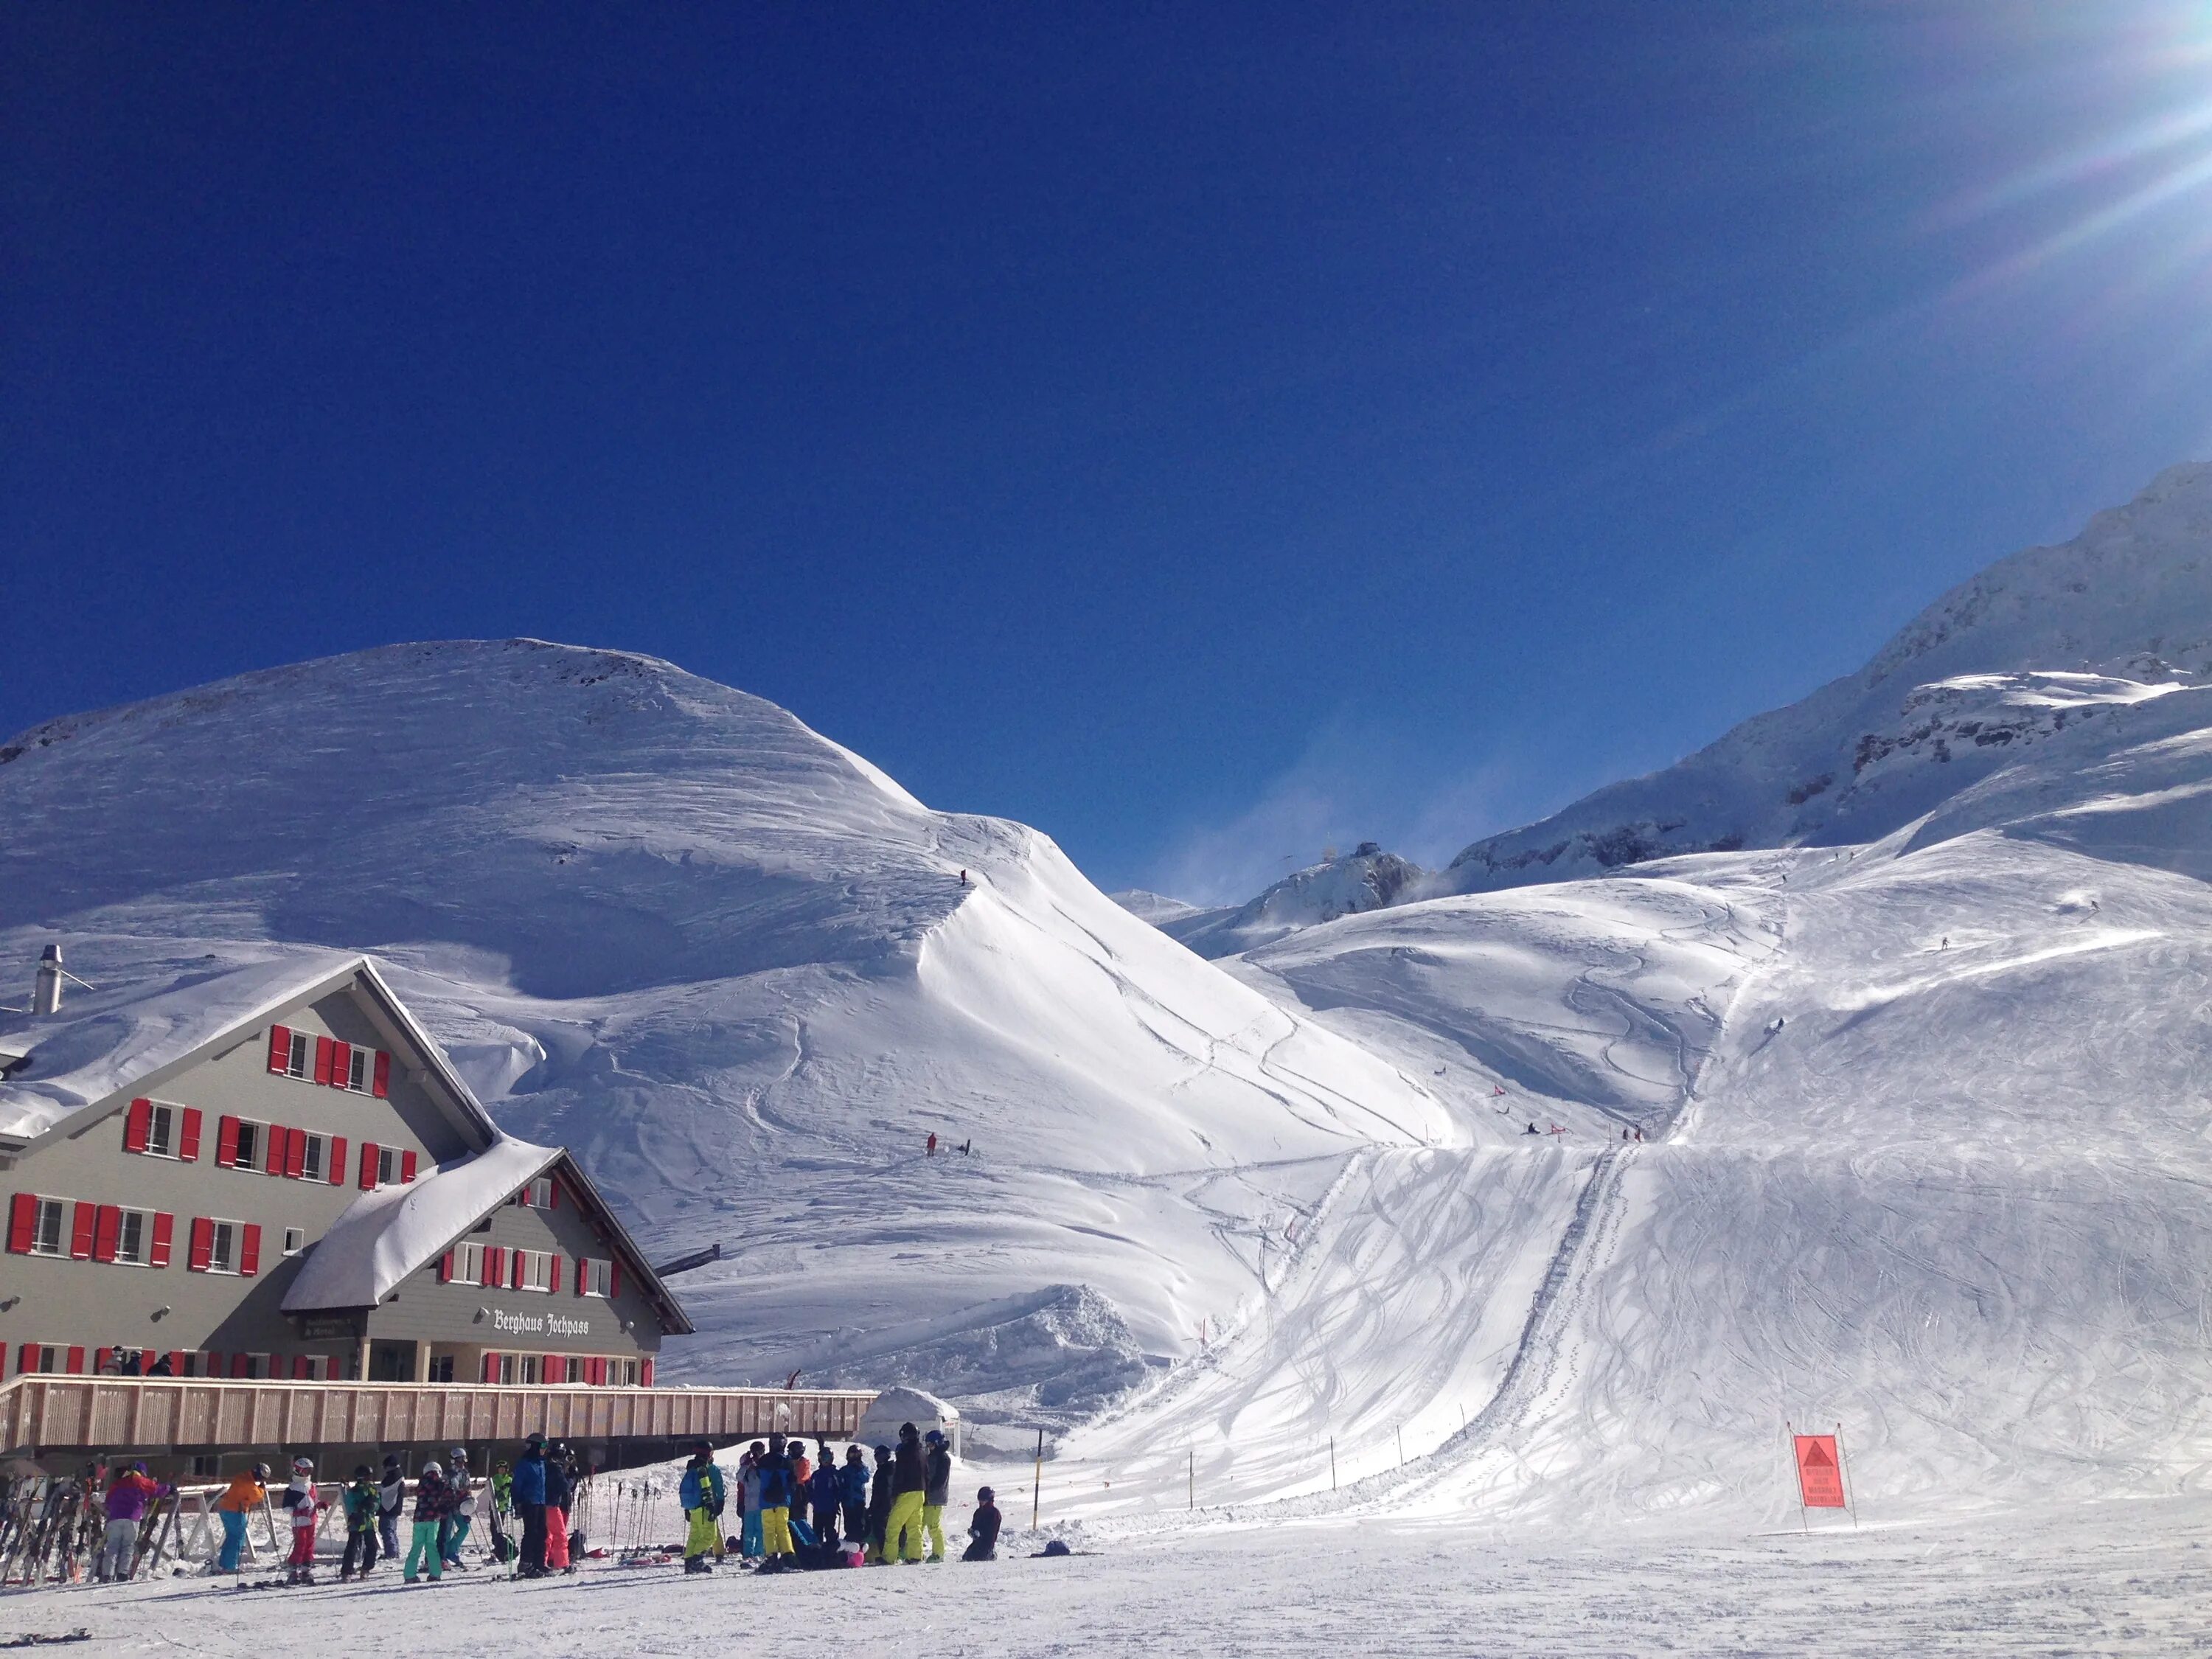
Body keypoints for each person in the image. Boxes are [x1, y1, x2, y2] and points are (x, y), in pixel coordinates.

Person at [96, 1463, 165, 1582]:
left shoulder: (118, 1483)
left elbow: (108, 1499)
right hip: (132, 1518)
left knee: (112, 1546)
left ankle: (107, 1574)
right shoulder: (140, 1481)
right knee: (128, 1546)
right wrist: (169, 1487)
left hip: (115, 1517)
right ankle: (123, 1574)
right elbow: (157, 1490)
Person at [404, 1460, 455, 1584]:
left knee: (416, 1547)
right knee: (431, 1546)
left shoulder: (421, 1484)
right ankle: (435, 1573)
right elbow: (450, 1494)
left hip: (419, 1519)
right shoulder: (441, 1483)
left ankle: (409, 1574)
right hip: (433, 1519)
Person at [214, 1464, 269, 1573]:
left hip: (225, 1509)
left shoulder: (242, 1476)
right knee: (237, 1539)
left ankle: (224, 1564)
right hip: (236, 1511)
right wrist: (262, 1489)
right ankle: (230, 1566)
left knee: (231, 1538)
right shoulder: (249, 1483)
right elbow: (256, 1497)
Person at [678, 1442, 724, 1574]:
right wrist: (713, 1505)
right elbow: (706, 1488)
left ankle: (689, 1562)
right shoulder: (704, 1469)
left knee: (695, 1534)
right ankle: (697, 1560)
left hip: (694, 1507)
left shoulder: (691, 1468)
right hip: (704, 1507)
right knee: (710, 1535)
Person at [886, 1422, 928, 1564]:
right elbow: (927, 1474)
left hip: (907, 1493)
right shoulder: (922, 1452)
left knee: (893, 1525)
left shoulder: (904, 1453)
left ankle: (889, 1557)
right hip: (920, 1492)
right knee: (914, 1526)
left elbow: (899, 1475)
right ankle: (916, 1555)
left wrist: (894, 1494)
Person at [281, 1456, 326, 1585]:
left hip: (311, 1520)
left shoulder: (311, 1485)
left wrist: (320, 1504)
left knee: (310, 1545)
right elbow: (286, 1508)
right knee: (301, 1544)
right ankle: (293, 1571)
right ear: (298, 1471)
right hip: (299, 1522)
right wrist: (298, 1512)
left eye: (310, 1471)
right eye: (305, 1471)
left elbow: (314, 1501)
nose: (307, 1474)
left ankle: (306, 1570)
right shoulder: (293, 1488)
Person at [755, 1433, 796, 1565]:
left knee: (769, 1529)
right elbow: (793, 1481)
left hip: (766, 1501)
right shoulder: (788, 1461)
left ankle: (771, 1556)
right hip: (783, 1500)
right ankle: (788, 1554)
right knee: (783, 1528)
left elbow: (758, 1476)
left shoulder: (763, 1460)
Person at [512, 1432, 549, 1576]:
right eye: (543, 1445)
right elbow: (516, 1485)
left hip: (541, 1502)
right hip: (529, 1502)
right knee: (531, 1533)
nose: (545, 1449)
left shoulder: (541, 1463)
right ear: (535, 1446)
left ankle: (539, 1563)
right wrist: (517, 1503)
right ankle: (526, 1564)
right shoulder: (525, 1464)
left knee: (542, 1532)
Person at [338, 1465, 381, 1580]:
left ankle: (366, 1568)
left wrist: (372, 1505)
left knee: (372, 1546)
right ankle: (347, 1571)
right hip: (357, 1521)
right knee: (352, 1546)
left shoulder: (372, 1489)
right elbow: (350, 1504)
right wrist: (358, 1508)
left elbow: (377, 1501)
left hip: (368, 1522)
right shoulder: (354, 1491)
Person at [439, 1446, 476, 1570]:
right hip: (449, 1506)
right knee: (447, 1531)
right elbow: (445, 1490)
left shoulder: (465, 1473)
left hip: (461, 1506)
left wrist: (469, 1500)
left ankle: (452, 1551)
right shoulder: (448, 1474)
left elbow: (468, 1488)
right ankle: (443, 1557)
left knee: (465, 1528)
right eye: (459, 1460)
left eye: (463, 1460)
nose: (462, 1463)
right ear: (454, 1460)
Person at [920, 1428, 952, 1562]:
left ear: (938, 1443)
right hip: (927, 1496)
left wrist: (930, 1489)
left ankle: (938, 1554)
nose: (929, 1447)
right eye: (927, 1445)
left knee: (933, 1526)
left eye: (931, 1445)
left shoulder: (943, 1458)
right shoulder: (931, 1457)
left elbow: (940, 1478)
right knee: (919, 1525)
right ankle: (916, 1553)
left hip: (936, 1498)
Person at [543, 1442, 575, 1573]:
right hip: (552, 1504)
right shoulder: (555, 1467)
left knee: (547, 1535)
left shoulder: (544, 1465)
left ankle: (543, 1561)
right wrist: (572, 1477)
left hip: (542, 1504)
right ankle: (561, 1563)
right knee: (560, 1535)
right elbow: (564, 1486)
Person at [808, 1442, 842, 1548]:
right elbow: (810, 1489)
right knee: (817, 1532)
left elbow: (839, 1489)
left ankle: (830, 1551)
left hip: (830, 1508)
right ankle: (818, 1554)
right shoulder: (816, 1474)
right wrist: (813, 1500)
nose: (825, 1461)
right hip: (818, 1509)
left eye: (827, 1458)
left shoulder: (834, 1473)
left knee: (829, 1531)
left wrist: (837, 1503)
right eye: (823, 1458)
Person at [866, 1444, 894, 1564]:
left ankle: (886, 1554)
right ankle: (887, 1553)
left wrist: (874, 1508)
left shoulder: (885, 1471)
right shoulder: (887, 1470)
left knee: (881, 1529)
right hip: (887, 1503)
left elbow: (881, 1491)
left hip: (884, 1505)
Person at [378, 1453, 406, 1563]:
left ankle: (391, 1552)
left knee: (387, 1529)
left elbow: (384, 1489)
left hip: (389, 1507)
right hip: (394, 1507)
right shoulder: (399, 1475)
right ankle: (394, 1551)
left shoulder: (393, 1476)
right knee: (391, 1529)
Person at [838, 1446, 870, 1545]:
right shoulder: (845, 1470)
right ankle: (850, 1545)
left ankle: (859, 1544)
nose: (854, 1457)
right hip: (847, 1502)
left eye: (856, 1455)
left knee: (859, 1525)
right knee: (848, 1525)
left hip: (858, 1501)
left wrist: (859, 1469)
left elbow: (866, 1478)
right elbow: (839, 1482)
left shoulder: (863, 1468)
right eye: (852, 1454)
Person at [739, 1444, 765, 1557]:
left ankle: (759, 1553)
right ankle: (747, 1553)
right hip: (749, 1507)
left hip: (761, 1506)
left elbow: (766, 1477)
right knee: (748, 1533)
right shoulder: (747, 1474)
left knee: (760, 1532)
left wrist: (759, 1465)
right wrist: (746, 1465)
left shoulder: (764, 1466)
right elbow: (739, 1477)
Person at [963, 1486, 1001, 1562]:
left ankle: (991, 1554)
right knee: (966, 1557)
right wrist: (972, 1531)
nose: (981, 1502)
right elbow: (975, 1525)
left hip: (987, 1545)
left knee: (979, 1557)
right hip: (977, 1543)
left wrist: (981, 1534)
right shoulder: (978, 1512)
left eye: (984, 1500)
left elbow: (992, 1533)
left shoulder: (994, 1513)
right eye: (980, 1500)